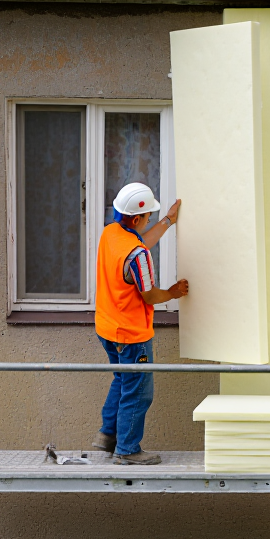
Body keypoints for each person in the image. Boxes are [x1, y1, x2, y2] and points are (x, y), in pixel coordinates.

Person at [92, 183, 189, 464]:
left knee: (122, 380)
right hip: (131, 335)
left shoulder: (111, 233)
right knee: (139, 391)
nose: (148, 221)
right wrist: (172, 293)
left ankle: (107, 436)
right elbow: (148, 295)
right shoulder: (139, 257)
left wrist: (168, 220)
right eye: (148, 217)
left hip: (107, 328)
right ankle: (127, 450)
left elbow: (139, 241)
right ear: (136, 219)